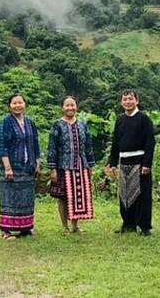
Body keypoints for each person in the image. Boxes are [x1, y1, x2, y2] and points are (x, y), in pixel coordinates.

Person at [105, 89, 156, 236]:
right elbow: (115, 143)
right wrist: (113, 163)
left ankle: (145, 226)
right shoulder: (120, 120)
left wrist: (147, 164)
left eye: (130, 99)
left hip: (140, 162)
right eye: (125, 99)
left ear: (137, 101)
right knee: (125, 194)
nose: (128, 102)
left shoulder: (144, 119)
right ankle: (128, 223)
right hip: (124, 162)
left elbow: (150, 143)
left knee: (143, 195)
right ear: (121, 102)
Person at [0, 93, 41, 240]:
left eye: (20, 102)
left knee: (26, 198)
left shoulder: (30, 123)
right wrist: (7, 168)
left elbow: (35, 144)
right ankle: (5, 230)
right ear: (9, 106)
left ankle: (25, 228)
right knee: (9, 198)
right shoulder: (5, 123)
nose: (18, 105)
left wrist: (37, 163)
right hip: (11, 167)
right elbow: (2, 146)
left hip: (28, 167)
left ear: (25, 104)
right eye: (14, 103)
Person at [47, 96, 96, 233]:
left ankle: (75, 225)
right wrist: (53, 168)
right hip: (63, 166)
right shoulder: (57, 125)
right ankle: (64, 226)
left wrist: (90, 165)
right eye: (67, 105)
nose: (70, 108)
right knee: (63, 197)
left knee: (78, 196)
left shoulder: (82, 124)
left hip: (80, 166)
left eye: (72, 105)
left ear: (76, 107)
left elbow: (88, 147)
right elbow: (52, 148)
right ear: (62, 107)